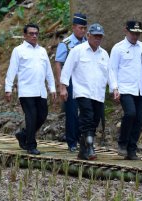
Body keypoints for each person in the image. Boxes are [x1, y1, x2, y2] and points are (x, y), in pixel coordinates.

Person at [59, 23, 113, 160]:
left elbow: (110, 73)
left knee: (95, 120)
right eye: (95, 36)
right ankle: (90, 147)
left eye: (100, 37)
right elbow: (67, 68)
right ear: (88, 35)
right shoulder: (78, 50)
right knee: (87, 117)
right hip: (82, 91)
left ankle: (83, 149)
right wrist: (63, 87)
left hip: (98, 93)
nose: (98, 39)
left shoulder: (104, 54)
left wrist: (114, 88)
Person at [5, 23, 56, 155]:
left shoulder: (42, 51)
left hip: (41, 91)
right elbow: (12, 70)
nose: (34, 36)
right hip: (26, 91)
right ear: (25, 35)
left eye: (36, 33)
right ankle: (31, 145)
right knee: (31, 117)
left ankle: (24, 135)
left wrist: (52, 88)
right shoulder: (18, 50)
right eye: (31, 33)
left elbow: (48, 72)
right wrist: (8, 88)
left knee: (42, 115)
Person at [109, 20, 142, 160]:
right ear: (126, 31)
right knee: (130, 113)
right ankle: (122, 143)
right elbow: (112, 69)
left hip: (140, 89)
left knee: (139, 120)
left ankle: (131, 149)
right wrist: (114, 88)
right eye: (133, 33)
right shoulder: (118, 48)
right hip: (125, 88)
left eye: (138, 33)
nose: (135, 36)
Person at [55, 13, 87, 152]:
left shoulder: (87, 42)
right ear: (74, 27)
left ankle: (83, 139)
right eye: (80, 28)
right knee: (72, 112)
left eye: (85, 28)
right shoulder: (66, 44)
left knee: (85, 112)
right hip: (70, 82)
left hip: (84, 81)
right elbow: (58, 64)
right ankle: (72, 142)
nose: (83, 31)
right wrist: (62, 87)